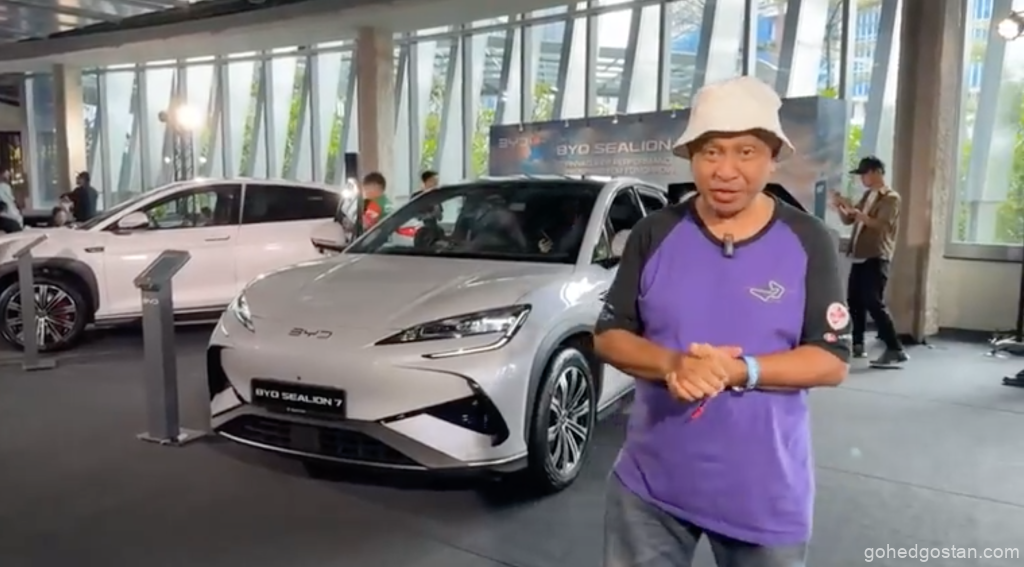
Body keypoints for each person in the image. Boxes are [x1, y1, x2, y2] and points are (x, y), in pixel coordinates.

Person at [593, 75, 850, 567]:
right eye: (710, 152)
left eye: (746, 152)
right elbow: (609, 335)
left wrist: (740, 371)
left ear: (773, 156)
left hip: (764, 490)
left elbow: (831, 359)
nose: (725, 171)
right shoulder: (655, 232)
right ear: (691, 156)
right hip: (649, 485)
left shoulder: (807, 238)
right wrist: (674, 365)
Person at [831, 156, 907, 368]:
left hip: (876, 254)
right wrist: (841, 207)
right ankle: (857, 343)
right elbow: (850, 219)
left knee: (873, 301)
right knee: (854, 300)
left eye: (864, 174)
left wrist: (859, 214)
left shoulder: (891, 198)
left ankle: (894, 347)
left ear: (876, 172)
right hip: (859, 254)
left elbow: (882, 225)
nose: (862, 179)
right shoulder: (867, 196)